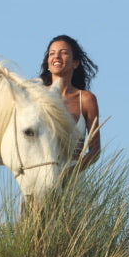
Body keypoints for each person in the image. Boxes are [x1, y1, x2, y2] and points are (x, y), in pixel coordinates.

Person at [39, 34, 101, 170]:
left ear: (75, 63)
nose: (56, 57)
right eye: (52, 53)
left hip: (74, 179)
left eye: (64, 53)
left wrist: (68, 175)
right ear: (48, 63)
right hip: (40, 176)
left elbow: (95, 151)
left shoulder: (86, 99)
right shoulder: (36, 95)